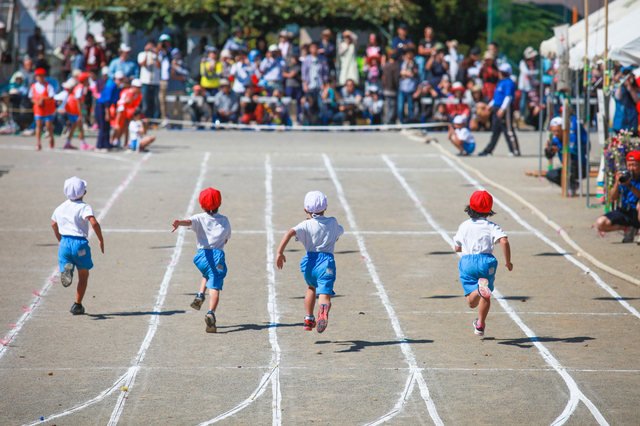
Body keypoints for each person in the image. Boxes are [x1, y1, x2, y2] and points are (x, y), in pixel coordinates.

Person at [276, 190, 344, 333]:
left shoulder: (305, 225)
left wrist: (279, 252)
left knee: (310, 287)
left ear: (305, 209)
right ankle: (324, 308)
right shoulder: (332, 222)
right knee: (324, 295)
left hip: (309, 263)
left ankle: (308, 318)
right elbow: (337, 235)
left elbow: (289, 233)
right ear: (325, 207)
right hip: (326, 263)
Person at [453, 190, 512, 336]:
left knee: (471, 302)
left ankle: (478, 291)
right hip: (487, 262)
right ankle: (480, 324)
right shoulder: (492, 226)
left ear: (470, 208)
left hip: (468, 261)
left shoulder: (464, 226)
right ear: (489, 209)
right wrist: (508, 262)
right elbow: (503, 241)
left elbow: (457, 247)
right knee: (486, 294)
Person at [172, 187, 231, 333]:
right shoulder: (224, 220)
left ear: (201, 205)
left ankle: (200, 294)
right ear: (220, 203)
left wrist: (179, 222)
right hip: (217, 255)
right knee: (215, 286)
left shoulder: (198, 218)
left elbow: (188, 221)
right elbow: (226, 239)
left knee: (207, 273)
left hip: (201, 257)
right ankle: (211, 313)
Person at [51, 176, 104, 315]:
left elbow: (54, 224)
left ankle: (67, 268)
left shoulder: (60, 207)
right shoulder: (84, 207)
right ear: (84, 192)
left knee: (67, 261)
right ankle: (77, 304)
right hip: (79, 244)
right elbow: (94, 222)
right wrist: (100, 239)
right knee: (84, 274)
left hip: (64, 243)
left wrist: (59, 239)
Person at [595, 150, 640, 243]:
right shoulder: (625, 177)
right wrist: (617, 183)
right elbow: (612, 197)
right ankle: (628, 229)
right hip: (625, 211)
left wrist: (629, 186)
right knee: (601, 223)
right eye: (629, 165)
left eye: (634, 165)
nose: (631, 168)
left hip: (637, 212)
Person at [479, 63, 520, 156]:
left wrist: (502, 109)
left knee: (508, 130)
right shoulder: (501, 82)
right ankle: (488, 150)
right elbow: (496, 97)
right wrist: (490, 105)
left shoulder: (509, 82)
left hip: (505, 108)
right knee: (495, 130)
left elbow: (508, 97)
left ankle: (514, 150)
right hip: (497, 107)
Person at [544, 116, 588, 193]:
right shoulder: (555, 140)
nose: (556, 133)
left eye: (558, 131)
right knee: (549, 174)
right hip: (566, 167)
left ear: (563, 129)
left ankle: (571, 185)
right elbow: (549, 156)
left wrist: (559, 149)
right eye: (554, 131)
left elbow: (572, 154)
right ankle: (572, 184)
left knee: (570, 164)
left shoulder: (572, 137)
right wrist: (547, 150)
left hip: (580, 167)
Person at [62, 72, 94, 151]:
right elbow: (78, 101)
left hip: (72, 108)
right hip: (73, 109)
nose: (89, 82)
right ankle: (83, 144)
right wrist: (80, 113)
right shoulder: (80, 88)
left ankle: (68, 143)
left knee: (74, 127)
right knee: (79, 127)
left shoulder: (81, 87)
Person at [94, 70, 124, 151]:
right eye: (119, 79)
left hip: (108, 107)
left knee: (107, 127)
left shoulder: (119, 89)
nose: (120, 81)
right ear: (115, 79)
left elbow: (115, 102)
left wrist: (114, 113)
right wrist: (108, 114)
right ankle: (99, 146)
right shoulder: (112, 87)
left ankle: (107, 144)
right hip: (101, 106)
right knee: (103, 127)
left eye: (122, 79)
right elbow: (107, 101)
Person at [29, 68, 56, 150]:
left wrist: (43, 98)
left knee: (48, 125)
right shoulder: (33, 86)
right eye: (39, 76)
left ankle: (51, 138)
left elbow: (51, 96)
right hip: (38, 109)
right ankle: (38, 143)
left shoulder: (48, 85)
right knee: (38, 126)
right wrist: (37, 102)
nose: (41, 78)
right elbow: (31, 97)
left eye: (42, 76)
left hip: (47, 109)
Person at [113, 78, 142, 147]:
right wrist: (117, 122)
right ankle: (114, 140)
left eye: (139, 88)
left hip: (129, 113)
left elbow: (134, 106)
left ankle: (126, 141)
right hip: (121, 111)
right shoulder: (127, 93)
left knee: (126, 127)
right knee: (119, 127)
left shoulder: (138, 95)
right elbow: (121, 106)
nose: (138, 89)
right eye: (137, 87)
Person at [138, 40, 161, 120]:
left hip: (155, 82)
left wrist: (156, 55)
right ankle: (145, 119)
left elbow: (159, 66)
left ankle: (155, 120)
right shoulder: (142, 54)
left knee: (155, 103)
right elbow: (143, 64)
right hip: (145, 82)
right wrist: (147, 53)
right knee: (145, 102)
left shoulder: (157, 55)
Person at [613, 69, 640, 134]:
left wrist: (630, 87)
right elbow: (618, 97)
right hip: (620, 122)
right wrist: (619, 83)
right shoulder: (618, 86)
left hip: (632, 122)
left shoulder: (635, 87)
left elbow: (636, 99)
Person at [398, 49, 418, 123]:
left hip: (411, 88)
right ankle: (401, 122)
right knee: (400, 107)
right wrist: (407, 74)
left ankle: (411, 122)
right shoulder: (402, 63)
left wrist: (405, 73)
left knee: (410, 107)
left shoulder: (414, 64)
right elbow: (400, 74)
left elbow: (414, 74)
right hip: (402, 88)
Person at [283, 46, 303, 121]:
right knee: (287, 102)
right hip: (290, 85)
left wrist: (298, 76)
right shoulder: (288, 62)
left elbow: (303, 75)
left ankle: (298, 119)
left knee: (298, 102)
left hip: (298, 85)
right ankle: (286, 119)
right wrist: (290, 75)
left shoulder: (300, 63)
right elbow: (283, 73)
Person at [157, 34, 173, 127]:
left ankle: (172, 118)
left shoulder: (172, 52)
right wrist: (158, 51)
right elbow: (157, 65)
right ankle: (164, 118)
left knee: (171, 100)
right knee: (162, 100)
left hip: (170, 80)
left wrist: (166, 50)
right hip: (162, 80)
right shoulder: (160, 54)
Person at [382, 51, 400, 124]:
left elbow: (383, 78)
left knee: (388, 107)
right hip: (393, 90)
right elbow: (396, 79)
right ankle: (389, 123)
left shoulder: (385, 65)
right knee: (392, 107)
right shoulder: (395, 66)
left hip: (386, 89)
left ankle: (387, 121)